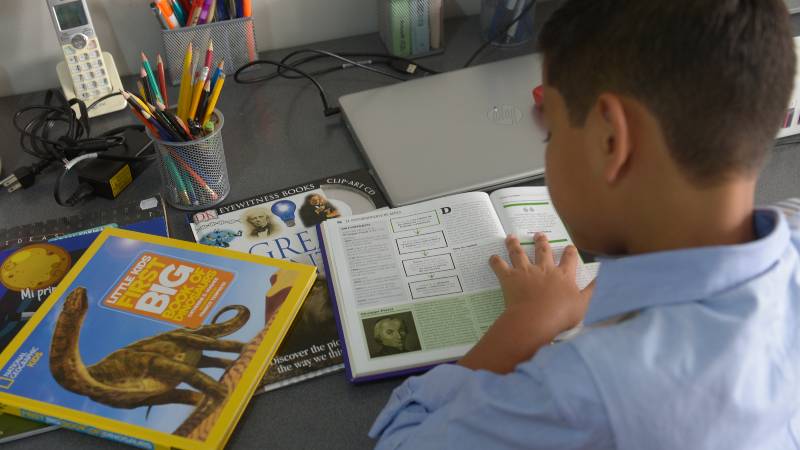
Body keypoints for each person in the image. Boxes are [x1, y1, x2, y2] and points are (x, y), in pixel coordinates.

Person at [369, 1, 800, 449]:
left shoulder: (585, 394)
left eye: (550, 130)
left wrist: (530, 321)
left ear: (611, 140)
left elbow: (403, 442)